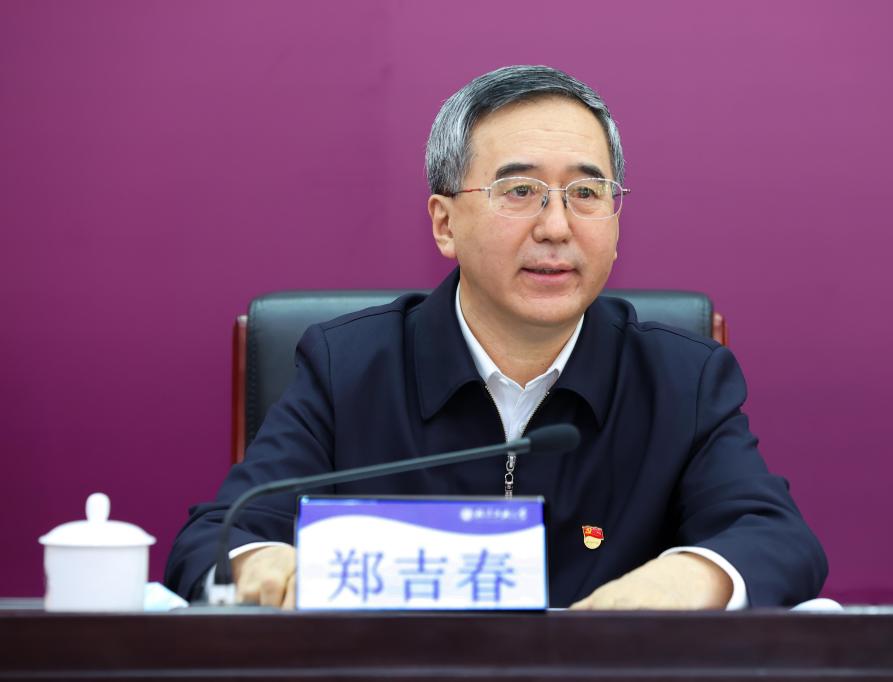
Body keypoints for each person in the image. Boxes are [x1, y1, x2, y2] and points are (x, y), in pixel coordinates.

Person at [165, 65, 828, 610]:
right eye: (519, 190)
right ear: (444, 223)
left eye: (586, 193)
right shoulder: (349, 368)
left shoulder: (682, 380)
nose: (556, 227)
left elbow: (775, 536)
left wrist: (689, 578)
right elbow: (216, 539)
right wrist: (263, 564)